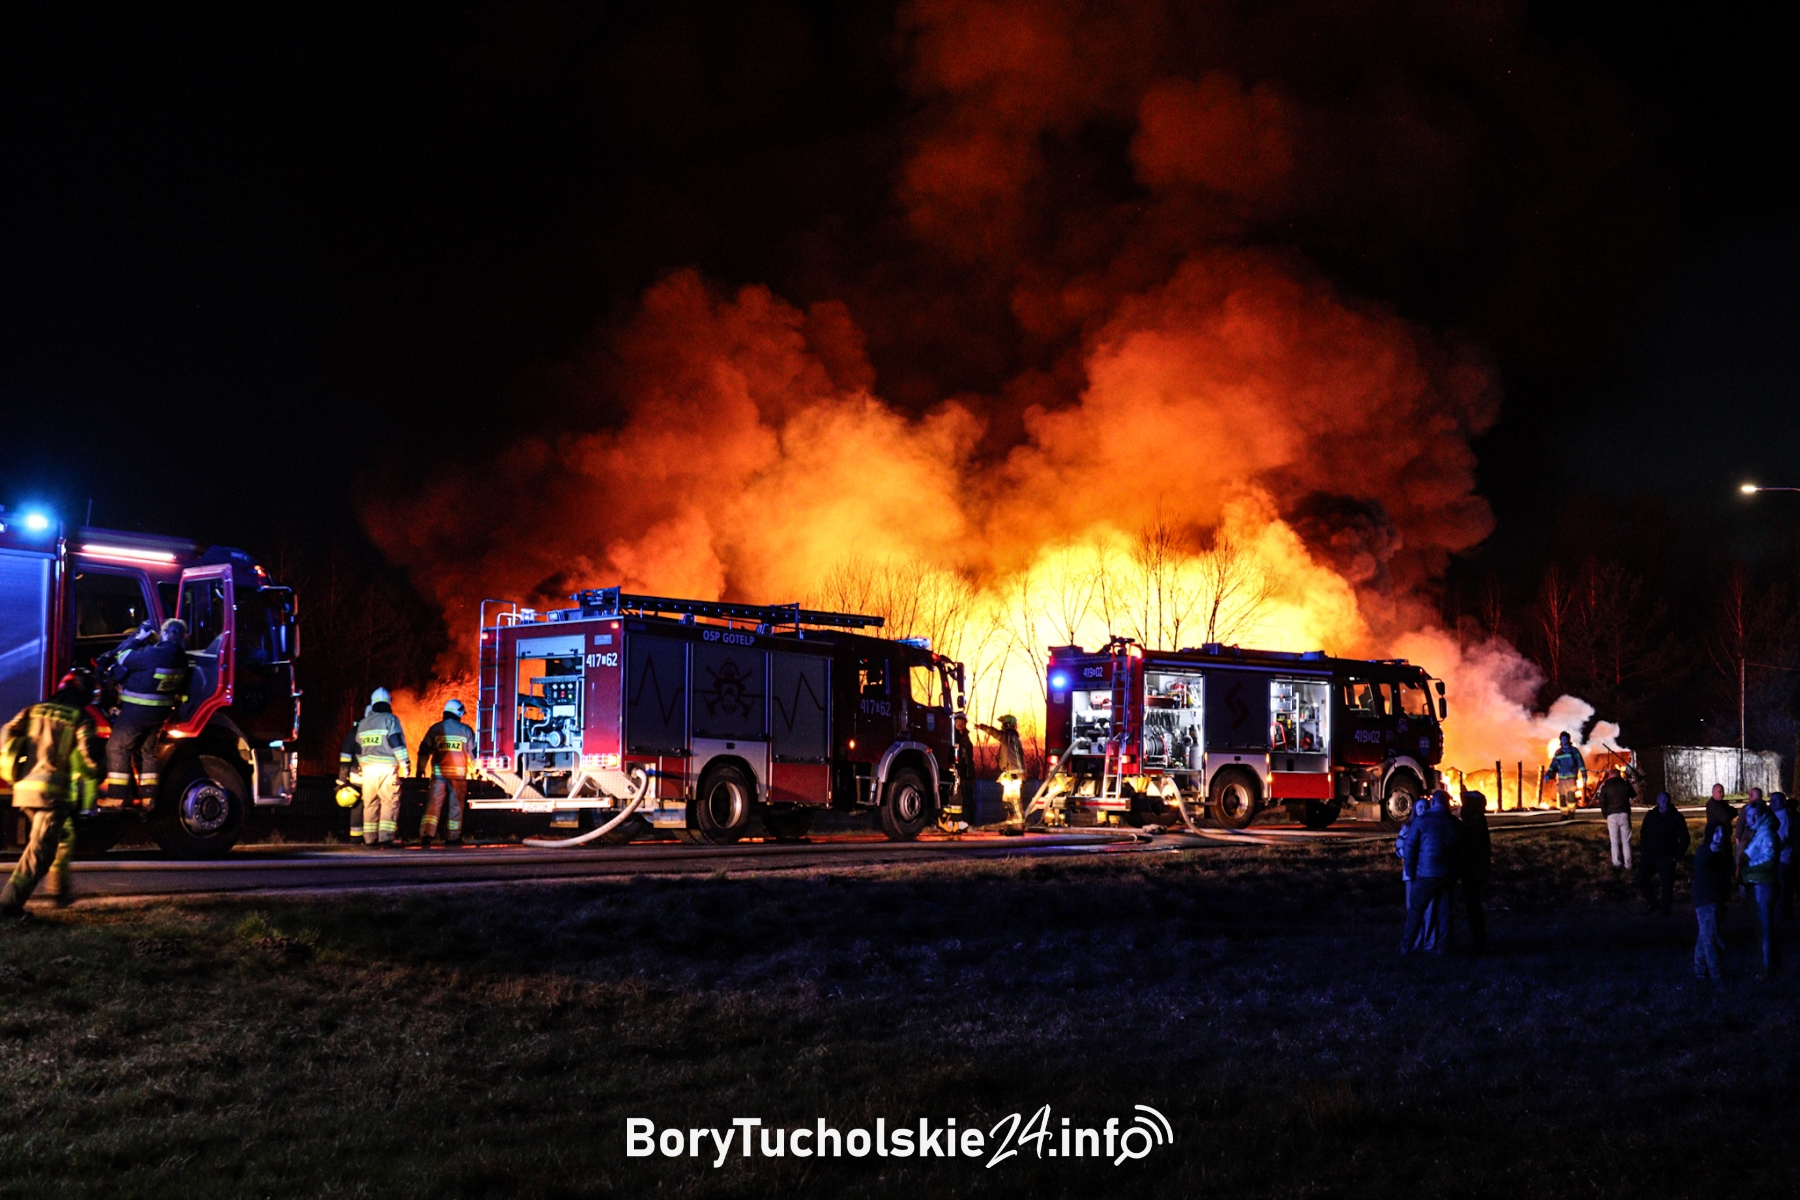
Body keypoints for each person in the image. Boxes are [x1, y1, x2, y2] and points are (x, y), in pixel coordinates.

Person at [0, 670, 102, 916]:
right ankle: (8, 907)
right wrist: (97, 772)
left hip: (24, 789)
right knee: (40, 853)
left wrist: (11, 767)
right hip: (52, 794)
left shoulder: (33, 710)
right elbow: (88, 758)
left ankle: (59, 891)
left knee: (61, 837)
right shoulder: (80, 717)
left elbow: (7, 732)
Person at [101, 617, 188, 805]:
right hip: (160, 714)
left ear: (165, 634)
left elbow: (123, 657)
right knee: (148, 751)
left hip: (138, 711)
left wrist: (138, 638)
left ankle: (117, 797)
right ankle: (149, 797)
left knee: (117, 747)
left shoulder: (153, 654)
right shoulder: (182, 658)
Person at [1401, 787, 1459, 955]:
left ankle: (1406, 946)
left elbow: (1409, 847)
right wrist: (1456, 872)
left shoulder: (1421, 821)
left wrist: (1410, 871)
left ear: (1432, 802)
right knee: (1445, 912)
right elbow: (1462, 850)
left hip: (1425, 874)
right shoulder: (1454, 823)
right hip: (1446, 875)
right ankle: (1443, 948)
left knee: (1415, 911)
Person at [353, 688, 410, 847]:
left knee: (370, 803)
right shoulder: (391, 719)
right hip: (386, 768)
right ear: (388, 703)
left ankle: (369, 838)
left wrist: (361, 767)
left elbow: (358, 748)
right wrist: (405, 764)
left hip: (367, 769)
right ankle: (386, 837)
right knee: (389, 801)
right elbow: (396, 742)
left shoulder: (363, 723)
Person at [416, 698, 475, 848]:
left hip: (439, 776)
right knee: (456, 806)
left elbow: (424, 750)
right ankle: (453, 837)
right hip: (458, 777)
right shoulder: (466, 730)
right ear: (458, 713)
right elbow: (474, 753)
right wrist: (480, 769)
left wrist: (420, 769)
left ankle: (426, 834)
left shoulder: (435, 729)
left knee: (433, 805)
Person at [1741, 802, 1780, 977]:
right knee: (1762, 930)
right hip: (1755, 884)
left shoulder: (1766, 834)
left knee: (1764, 930)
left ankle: (1766, 972)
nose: (1751, 819)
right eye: (1748, 816)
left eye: (1755, 815)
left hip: (1762, 886)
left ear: (1762, 815)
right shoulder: (1756, 832)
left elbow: (1769, 859)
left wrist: (1747, 867)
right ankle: (1770, 967)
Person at [1636, 791, 1690, 915]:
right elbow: (1643, 834)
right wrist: (1644, 852)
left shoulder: (1676, 817)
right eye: (1662, 801)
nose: (1664, 803)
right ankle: (1652, 902)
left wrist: (1675, 856)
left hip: (1667, 857)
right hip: (1650, 856)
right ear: (1657, 801)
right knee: (1641, 878)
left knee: (1667, 885)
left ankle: (1665, 911)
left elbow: (1685, 839)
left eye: (1666, 801)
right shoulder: (1651, 816)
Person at [1692, 820, 1732, 981]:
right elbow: (1702, 862)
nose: (1720, 836)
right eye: (1716, 832)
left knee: (1705, 937)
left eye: (1722, 832)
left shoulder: (1724, 851)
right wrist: (1712, 850)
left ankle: (1700, 971)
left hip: (1718, 899)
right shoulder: (1705, 851)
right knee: (1712, 939)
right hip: (1707, 900)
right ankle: (1716, 975)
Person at [975, 714, 1027, 834]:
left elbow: (995, 733)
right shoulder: (1011, 738)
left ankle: (1018, 827)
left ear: (1007, 724)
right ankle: (1011, 826)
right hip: (1011, 774)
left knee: (1014, 800)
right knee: (1007, 800)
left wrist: (983, 727)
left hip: (1014, 774)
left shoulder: (1009, 736)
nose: (1002, 726)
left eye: (1003, 723)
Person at [1457, 789, 1491, 953]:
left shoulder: (1474, 821)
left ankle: (1478, 941)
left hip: (1472, 871)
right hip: (1474, 870)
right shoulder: (1477, 819)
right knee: (1473, 906)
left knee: (1473, 906)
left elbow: (1468, 846)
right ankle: (1477, 938)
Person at [337, 703, 371, 842]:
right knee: (376, 806)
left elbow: (345, 756)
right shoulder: (384, 731)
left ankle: (356, 838)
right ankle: (373, 838)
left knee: (357, 807)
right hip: (376, 777)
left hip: (357, 777)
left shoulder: (355, 731)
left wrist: (342, 779)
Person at [1595, 766, 1636, 870]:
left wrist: (1606, 814)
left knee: (1614, 841)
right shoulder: (1624, 785)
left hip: (1611, 815)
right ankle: (1628, 864)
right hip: (1624, 814)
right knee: (1626, 841)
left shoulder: (1606, 787)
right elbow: (1633, 794)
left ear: (1609, 776)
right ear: (1619, 775)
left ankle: (1616, 863)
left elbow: (1602, 802)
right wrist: (1628, 783)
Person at [1770, 791, 1794, 924]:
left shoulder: (1783, 817)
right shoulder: (1777, 816)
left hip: (1782, 858)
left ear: (1783, 802)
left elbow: (1783, 838)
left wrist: (1772, 849)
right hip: (1780, 857)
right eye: (1771, 801)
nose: (1772, 803)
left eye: (1776, 801)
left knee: (1781, 888)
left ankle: (1782, 918)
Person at [1546, 732, 1586, 810]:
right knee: (1562, 799)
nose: (1564, 740)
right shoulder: (1558, 752)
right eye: (1562, 739)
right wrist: (1548, 774)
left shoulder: (1574, 751)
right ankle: (1564, 814)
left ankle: (1571, 813)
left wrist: (1584, 774)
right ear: (1560, 740)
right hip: (1561, 779)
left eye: (1565, 739)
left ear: (1568, 739)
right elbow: (1553, 764)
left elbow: (1580, 763)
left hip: (1571, 779)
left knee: (1571, 798)